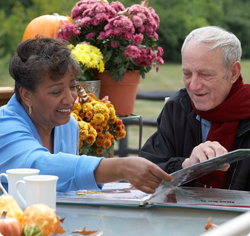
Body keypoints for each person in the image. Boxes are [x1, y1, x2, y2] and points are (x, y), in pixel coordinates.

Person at [0, 37, 173, 194]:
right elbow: (38, 168)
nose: (70, 99)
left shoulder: (69, 126)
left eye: (73, 86)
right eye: (56, 91)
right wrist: (121, 167)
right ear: (26, 95)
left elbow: (68, 191)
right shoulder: (4, 125)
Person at [141, 26, 250, 191]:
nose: (193, 85)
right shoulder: (177, 107)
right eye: (187, 74)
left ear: (233, 72)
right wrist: (186, 165)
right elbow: (144, 171)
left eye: (205, 74)